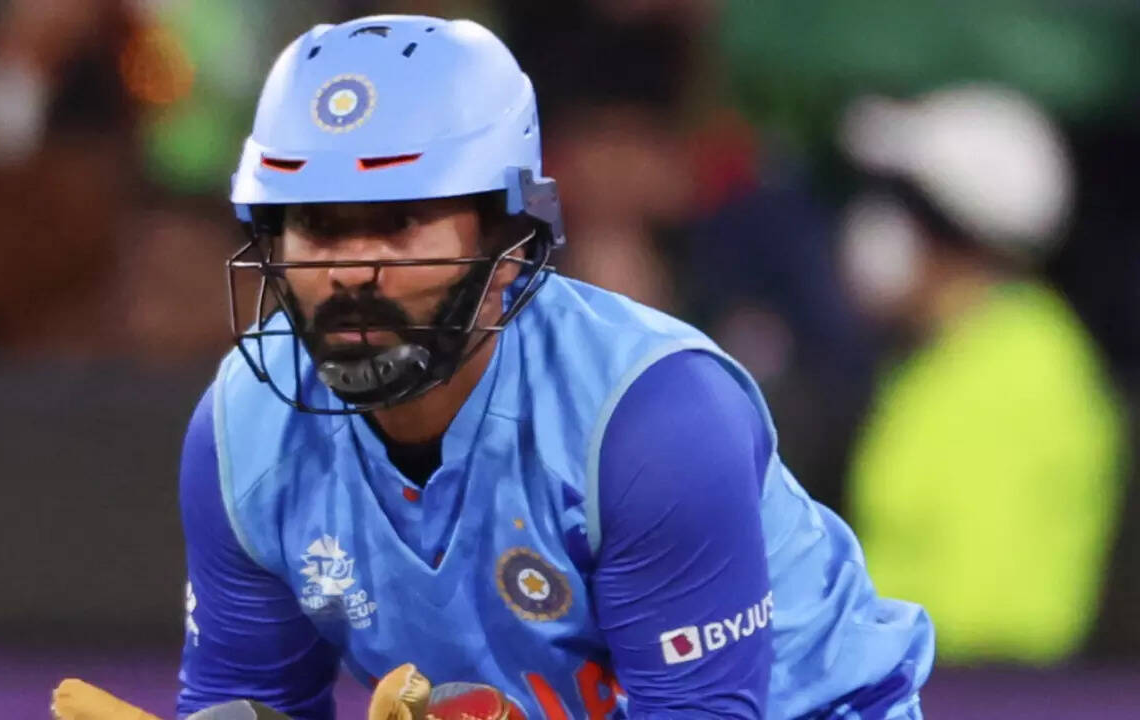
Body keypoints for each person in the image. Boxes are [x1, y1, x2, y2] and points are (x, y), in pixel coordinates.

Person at [178, 15, 933, 719]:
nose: (348, 271)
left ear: (509, 243)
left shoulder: (654, 417)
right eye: (315, 225)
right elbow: (245, 700)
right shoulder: (243, 429)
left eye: (397, 222)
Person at [839, 85, 1127, 665]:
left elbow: (978, 618)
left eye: (901, 204)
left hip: (970, 689)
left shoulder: (1021, 369)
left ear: (955, 229)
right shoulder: (943, 355)